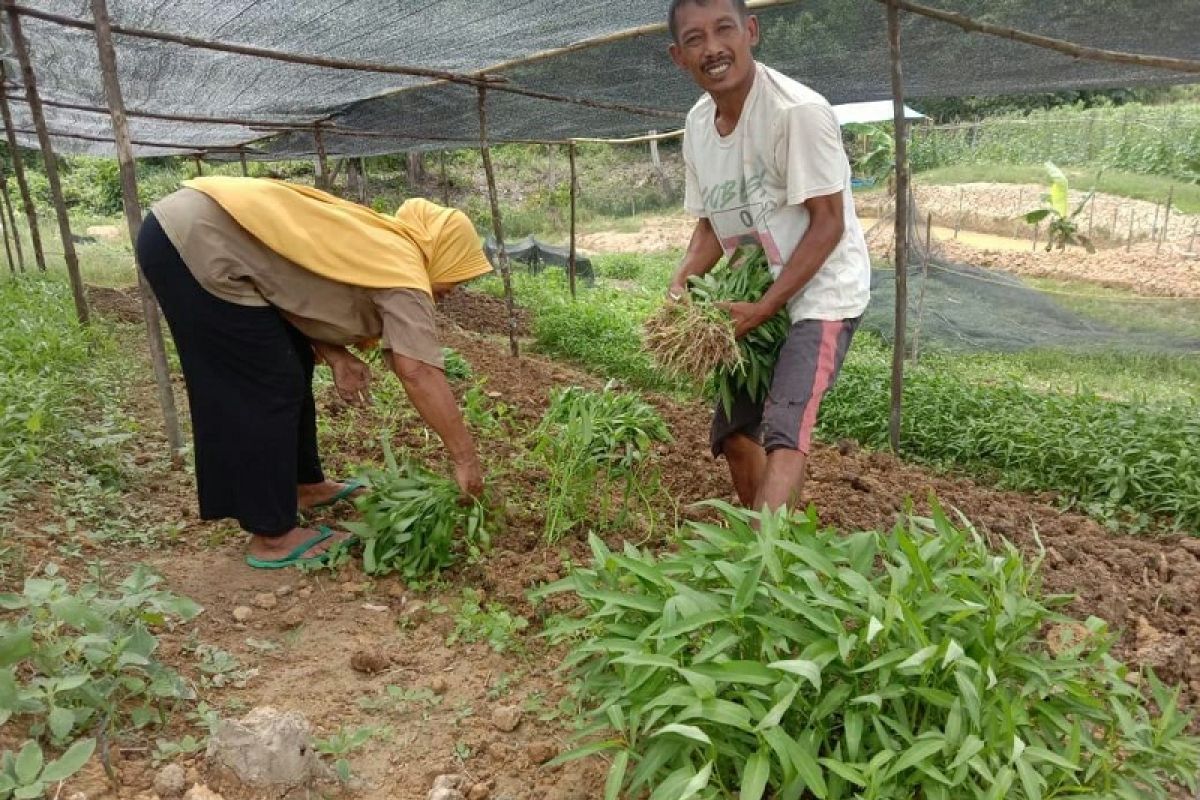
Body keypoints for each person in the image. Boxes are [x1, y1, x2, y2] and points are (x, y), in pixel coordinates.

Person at [137, 177, 492, 569]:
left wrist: (336, 355)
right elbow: (418, 371)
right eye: (456, 277)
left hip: (199, 231)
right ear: (443, 252)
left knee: (290, 364)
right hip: (193, 244)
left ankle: (303, 485)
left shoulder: (381, 241)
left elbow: (289, 286)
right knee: (263, 384)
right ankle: (272, 535)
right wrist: (465, 460)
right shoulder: (404, 271)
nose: (453, 292)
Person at [666, 0, 871, 511]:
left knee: (784, 426)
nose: (712, 49)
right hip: (754, 296)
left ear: (750, 31)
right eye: (695, 39)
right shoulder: (696, 127)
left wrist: (767, 307)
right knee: (735, 433)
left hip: (820, 291)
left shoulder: (796, 113)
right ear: (678, 56)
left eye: (724, 30)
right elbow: (711, 225)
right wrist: (680, 286)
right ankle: (767, 543)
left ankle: (768, 565)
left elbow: (828, 223)